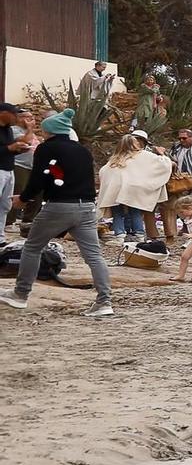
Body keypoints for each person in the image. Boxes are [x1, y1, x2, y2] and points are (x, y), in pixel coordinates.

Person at [3, 109, 114, 316]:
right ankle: (104, 301)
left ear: (50, 131)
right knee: (94, 256)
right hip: (87, 207)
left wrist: (24, 199)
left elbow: (38, 179)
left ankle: (21, 294)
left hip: (59, 206)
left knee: (33, 247)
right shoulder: (82, 150)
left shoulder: (46, 149)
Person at [98, 134, 172, 243]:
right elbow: (162, 164)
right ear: (134, 144)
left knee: (117, 211)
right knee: (135, 211)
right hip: (134, 187)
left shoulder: (115, 158)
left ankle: (120, 235)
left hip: (115, 187)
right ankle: (139, 235)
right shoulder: (143, 155)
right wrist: (162, 154)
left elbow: (103, 172)